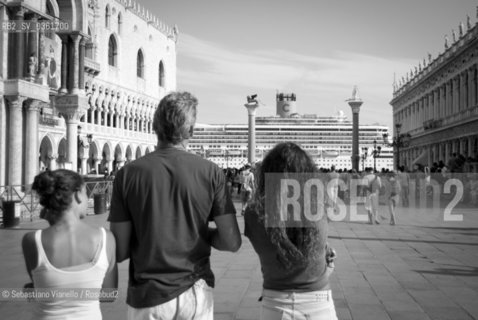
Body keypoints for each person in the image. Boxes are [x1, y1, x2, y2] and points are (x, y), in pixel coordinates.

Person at [109, 91, 241, 320]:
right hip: (196, 293)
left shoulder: (127, 174)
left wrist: (150, 232)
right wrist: (202, 233)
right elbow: (232, 242)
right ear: (190, 130)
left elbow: (119, 251)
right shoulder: (210, 172)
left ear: (155, 126)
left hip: (148, 297)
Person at [244, 142, 338, 320]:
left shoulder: (253, 213)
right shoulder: (319, 207)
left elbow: (279, 246)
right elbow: (310, 257)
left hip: (275, 304)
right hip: (319, 303)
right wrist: (328, 263)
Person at [22, 169, 118, 320]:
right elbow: (109, 294)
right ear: (78, 194)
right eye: (87, 193)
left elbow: (41, 288)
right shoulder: (106, 239)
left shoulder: (32, 241)